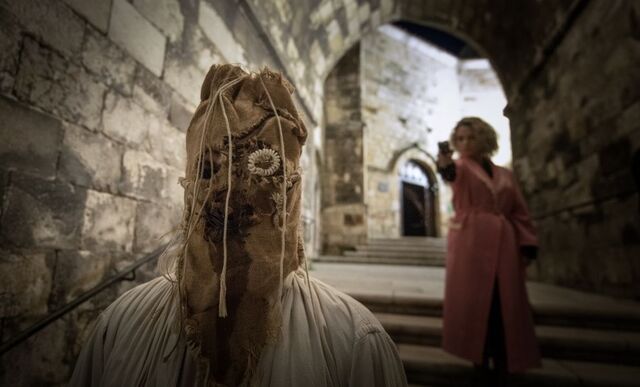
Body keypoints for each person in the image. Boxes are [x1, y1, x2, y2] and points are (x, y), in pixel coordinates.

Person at [69, 64, 407, 387]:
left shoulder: (352, 342)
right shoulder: (124, 326)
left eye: (260, 173)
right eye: (208, 171)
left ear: (290, 191)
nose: (228, 194)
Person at [436, 117, 541, 386]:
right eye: (459, 138)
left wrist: (527, 242)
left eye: (470, 137)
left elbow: (519, 211)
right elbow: (450, 175)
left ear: (484, 138)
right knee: (476, 303)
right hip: (470, 243)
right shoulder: (459, 167)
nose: (465, 143)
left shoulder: (505, 174)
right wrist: (444, 163)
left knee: (504, 303)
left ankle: (506, 362)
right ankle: (479, 362)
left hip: (505, 244)